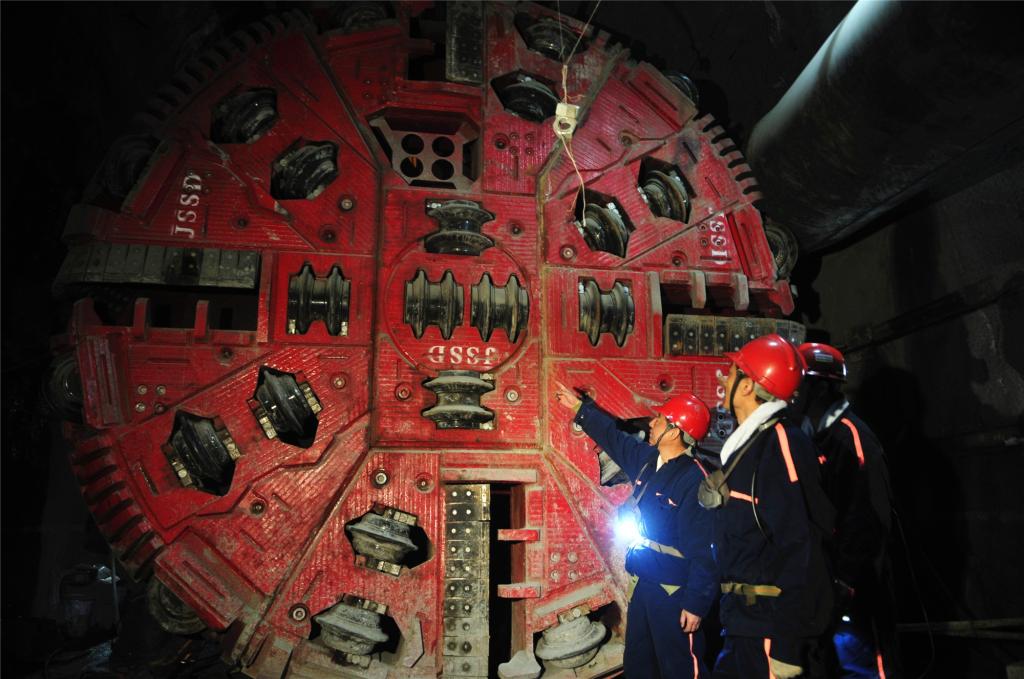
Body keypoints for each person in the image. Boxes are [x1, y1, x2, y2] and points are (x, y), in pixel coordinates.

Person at [553, 382, 717, 678]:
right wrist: (579, 408)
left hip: (674, 591)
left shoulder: (695, 480)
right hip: (644, 583)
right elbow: (613, 438)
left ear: (675, 432)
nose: (652, 423)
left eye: (660, 420)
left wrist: (696, 603)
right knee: (640, 664)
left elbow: (706, 550)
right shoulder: (647, 462)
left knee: (680, 668)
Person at [703, 334, 834, 679]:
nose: (724, 379)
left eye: (733, 372)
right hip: (743, 625)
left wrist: (787, 646)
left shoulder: (782, 443)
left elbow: (803, 544)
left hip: (770, 630)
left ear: (748, 386)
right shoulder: (752, 444)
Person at [795, 343, 898, 679]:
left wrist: (845, 582)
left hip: (856, 590)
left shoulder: (852, 439)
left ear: (820, 387)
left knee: (863, 668)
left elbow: (868, 519)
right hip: (826, 587)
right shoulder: (811, 436)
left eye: (799, 382)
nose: (792, 391)